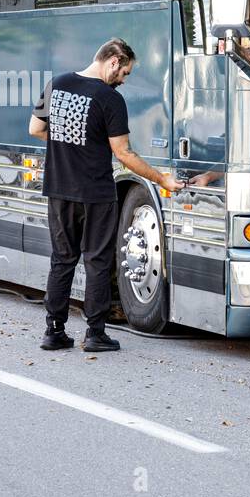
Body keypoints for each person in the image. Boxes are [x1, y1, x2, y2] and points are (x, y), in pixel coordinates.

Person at [28, 39, 183, 352]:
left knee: (62, 259)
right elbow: (123, 153)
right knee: (97, 261)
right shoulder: (109, 98)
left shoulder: (56, 84)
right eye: (124, 72)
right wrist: (161, 179)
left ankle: (53, 331)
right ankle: (95, 334)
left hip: (59, 189)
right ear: (113, 60)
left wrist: (66, 147)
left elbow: (35, 128)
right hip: (95, 192)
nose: (123, 80)